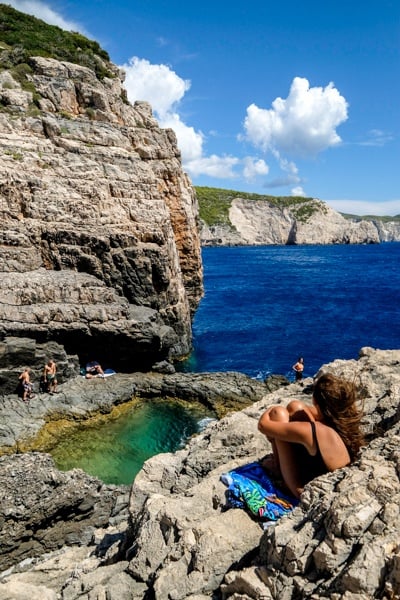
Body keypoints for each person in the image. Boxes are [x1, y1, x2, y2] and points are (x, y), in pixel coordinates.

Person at [258, 373, 365, 499]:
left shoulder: (314, 430)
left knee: (278, 414)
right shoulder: (340, 419)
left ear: (316, 402)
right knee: (296, 407)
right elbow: (299, 408)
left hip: (303, 492)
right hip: (328, 479)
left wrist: (269, 410)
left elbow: (263, 426)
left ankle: (281, 475)